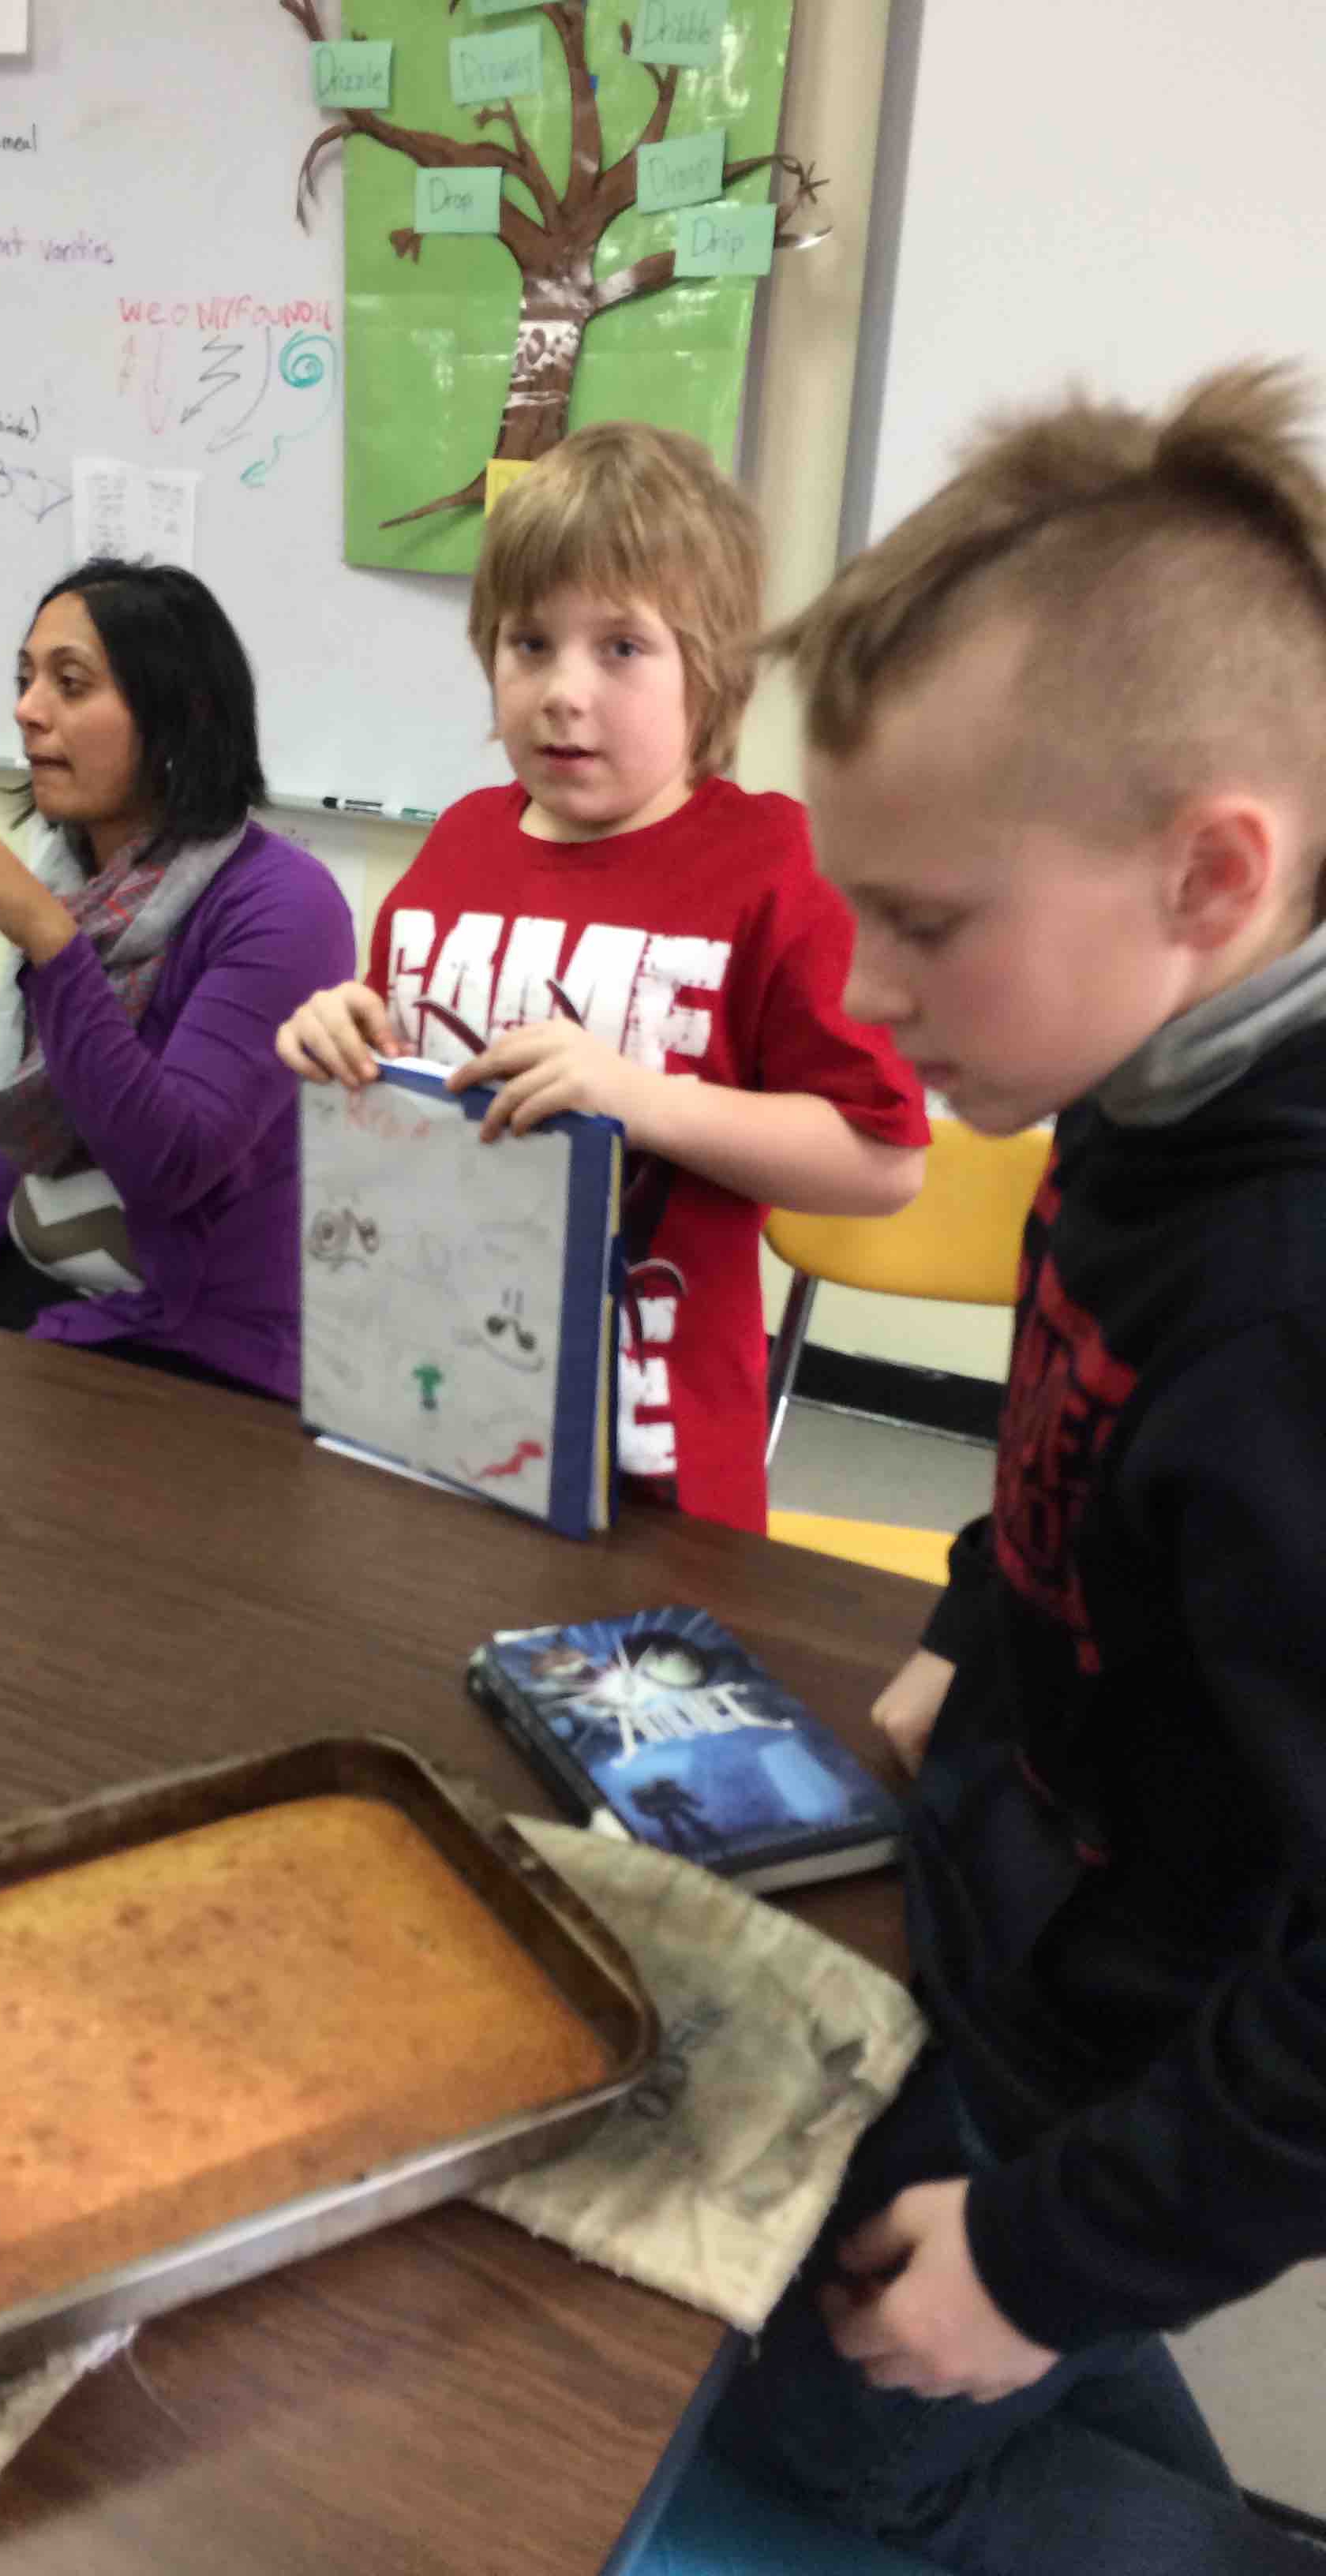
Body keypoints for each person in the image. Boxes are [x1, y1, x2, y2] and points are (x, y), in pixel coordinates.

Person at [645, 365, 1326, 2574]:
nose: (864, 988)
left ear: (1209, 875)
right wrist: (979, 1611)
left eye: (924, 924)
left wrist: (1045, 2259)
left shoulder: (1292, 1296)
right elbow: (1073, 1414)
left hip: (1140, 2043)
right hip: (1024, 1933)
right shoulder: (1146, 1085)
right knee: (919, 2346)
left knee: (842, 2442)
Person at [275, 421, 927, 1532]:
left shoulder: (776, 868)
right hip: (423, 1408)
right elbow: (404, 1063)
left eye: (622, 647)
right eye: (529, 643)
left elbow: (883, 1163)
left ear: (710, 669)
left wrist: (640, 1099)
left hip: (656, 1474)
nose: (563, 692)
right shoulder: (460, 844)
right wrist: (344, 1032)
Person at [0, 556, 353, 1400]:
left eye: (70, 684)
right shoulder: (74, 872)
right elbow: (11, 1106)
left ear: (177, 716)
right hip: (41, 1285)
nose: (28, 711)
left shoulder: (285, 906)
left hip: (196, 1343)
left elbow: (171, 1164)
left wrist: (51, 943)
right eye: (26, 680)